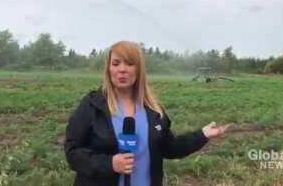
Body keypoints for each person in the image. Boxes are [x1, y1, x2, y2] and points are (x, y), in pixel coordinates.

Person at [64, 41, 230, 186]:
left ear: (139, 70)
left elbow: (169, 147)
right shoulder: (92, 105)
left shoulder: (153, 109)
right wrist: (110, 163)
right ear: (108, 69)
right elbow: (72, 152)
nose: (122, 69)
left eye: (129, 63)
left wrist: (203, 134)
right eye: (116, 64)